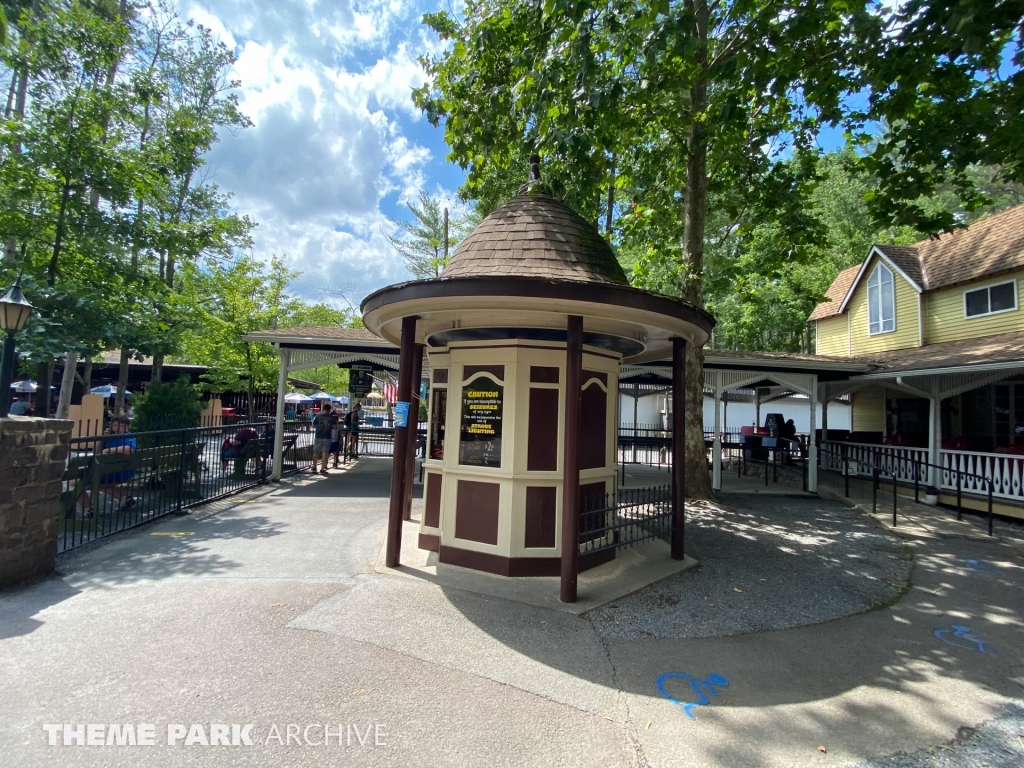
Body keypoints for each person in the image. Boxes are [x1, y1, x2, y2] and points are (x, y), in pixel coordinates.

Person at [77, 415, 137, 514]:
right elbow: (96, 453)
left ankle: (87, 509)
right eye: (115, 425)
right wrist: (102, 439)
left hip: (118, 472)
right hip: (112, 471)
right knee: (101, 485)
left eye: (121, 426)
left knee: (75, 482)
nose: (118, 428)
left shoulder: (128, 436)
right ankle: (124, 498)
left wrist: (109, 450)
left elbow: (129, 449)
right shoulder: (109, 437)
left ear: (127, 426)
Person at [311, 403, 336, 474]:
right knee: (325, 453)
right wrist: (328, 427)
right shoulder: (332, 418)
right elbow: (335, 427)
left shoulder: (317, 416)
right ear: (329, 410)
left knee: (316, 452)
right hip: (327, 437)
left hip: (318, 436)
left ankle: (314, 467)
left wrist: (319, 426)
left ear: (323, 409)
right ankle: (322, 469)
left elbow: (313, 426)